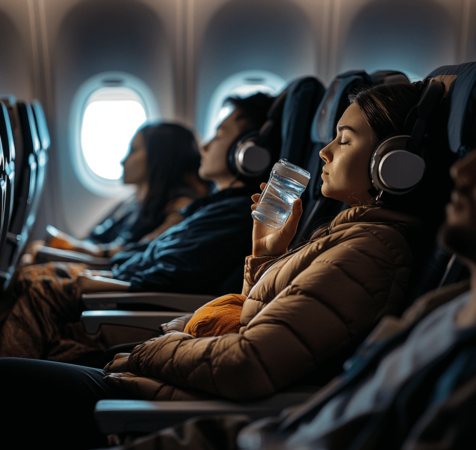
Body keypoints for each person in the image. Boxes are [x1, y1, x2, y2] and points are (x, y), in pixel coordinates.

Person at [2, 103, 476, 450]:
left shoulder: (373, 249)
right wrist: (266, 253)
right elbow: (266, 324)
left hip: (178, 412)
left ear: (392, 164)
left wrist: (149, 350)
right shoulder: (421, 294)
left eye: (343, 140)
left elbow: (251, 360)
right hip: (198, 414)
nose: (322, 152)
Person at [0, 93, 278, 364]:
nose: (204, 147)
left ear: (247, 150)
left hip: (145, 306)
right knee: (33, 280)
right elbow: (148, 255)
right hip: (130, 289)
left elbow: (170, 275)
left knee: (39, 286)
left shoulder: (235, 214)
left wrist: (91, 280)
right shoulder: (209, 207)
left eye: (218, 134)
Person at [26, 122, 206, 262]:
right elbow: (95, 237)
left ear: (159, 158)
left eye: (133, 150)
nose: (123, 160)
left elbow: (143, 250)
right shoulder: (133, 201)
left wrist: (71, 248)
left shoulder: (181, 206)